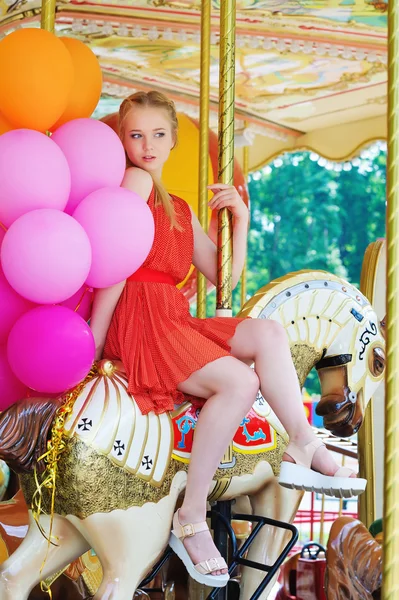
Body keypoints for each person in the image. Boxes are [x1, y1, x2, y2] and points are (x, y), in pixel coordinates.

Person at [90, 91, 366, 588]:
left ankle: (302, 441)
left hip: (173, 317)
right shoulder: (131, 184)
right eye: (135, 135)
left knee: (268, 332)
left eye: (157, 134)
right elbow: (114, 258)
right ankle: (191, 515)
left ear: (174, 140)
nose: (147, 145)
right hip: (144, 318)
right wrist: (97, 334)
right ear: (122, 142)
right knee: (238, 383)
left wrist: (240, 215)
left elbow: (224, 275)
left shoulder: (174, 208)